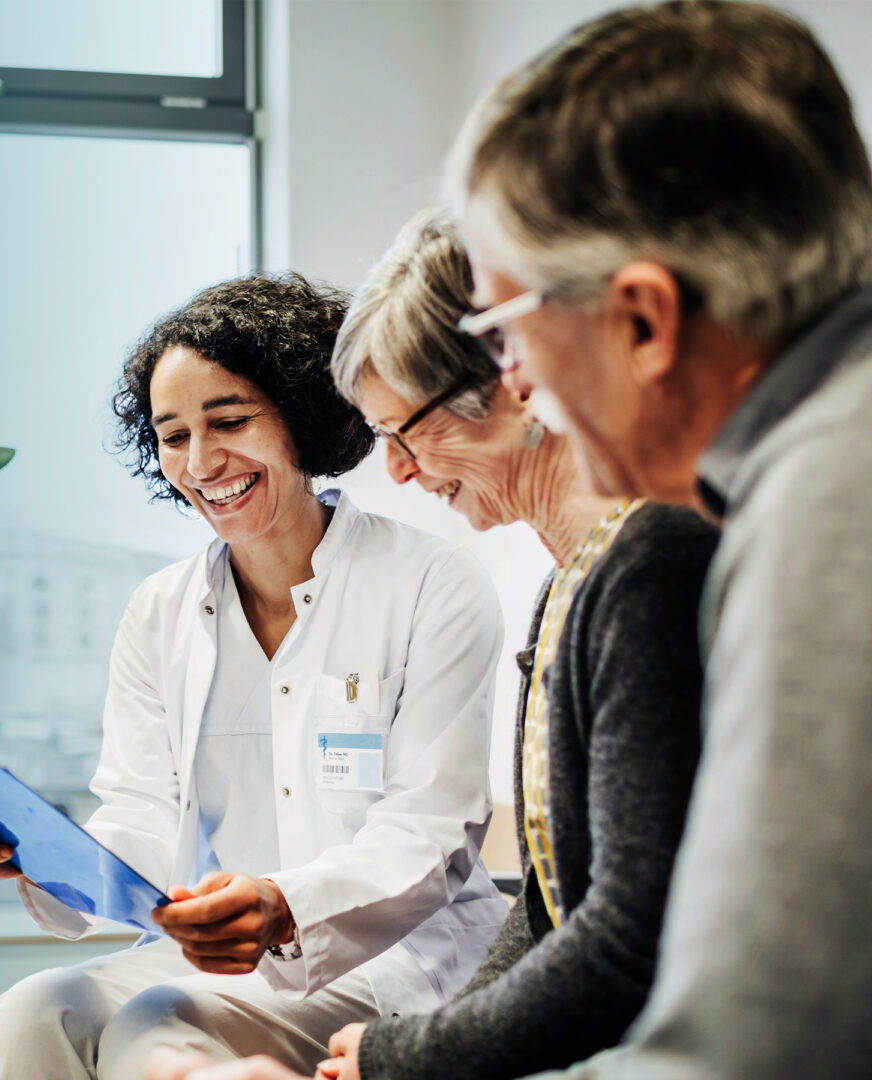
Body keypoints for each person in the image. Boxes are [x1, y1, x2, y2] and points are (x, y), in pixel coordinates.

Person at [158, 4, 872, 1079]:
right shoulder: (790, 479)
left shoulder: (818, 508)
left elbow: (752, 1036)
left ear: (640, 320)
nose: (518, 383)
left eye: (505, 333)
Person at [0, 274, 510, 1079]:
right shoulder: (159, 610)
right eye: (172, 436)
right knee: (35, 1012)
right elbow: (138, 813)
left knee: (156, 1026)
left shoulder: (430, 584)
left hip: (397, 959)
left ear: (303, 421)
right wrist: (34, 852)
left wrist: (282, 905)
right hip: (219, 963)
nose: (202, 462)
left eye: (229, 421)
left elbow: (430, 833)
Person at [283, 211, 717, 1080]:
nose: (399, 471)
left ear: (517, 377)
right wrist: (426, 1047)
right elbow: (552, 904)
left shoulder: (654, 562)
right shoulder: (568, 582)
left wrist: (410, 1057)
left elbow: (629, 937)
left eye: (405, 433)